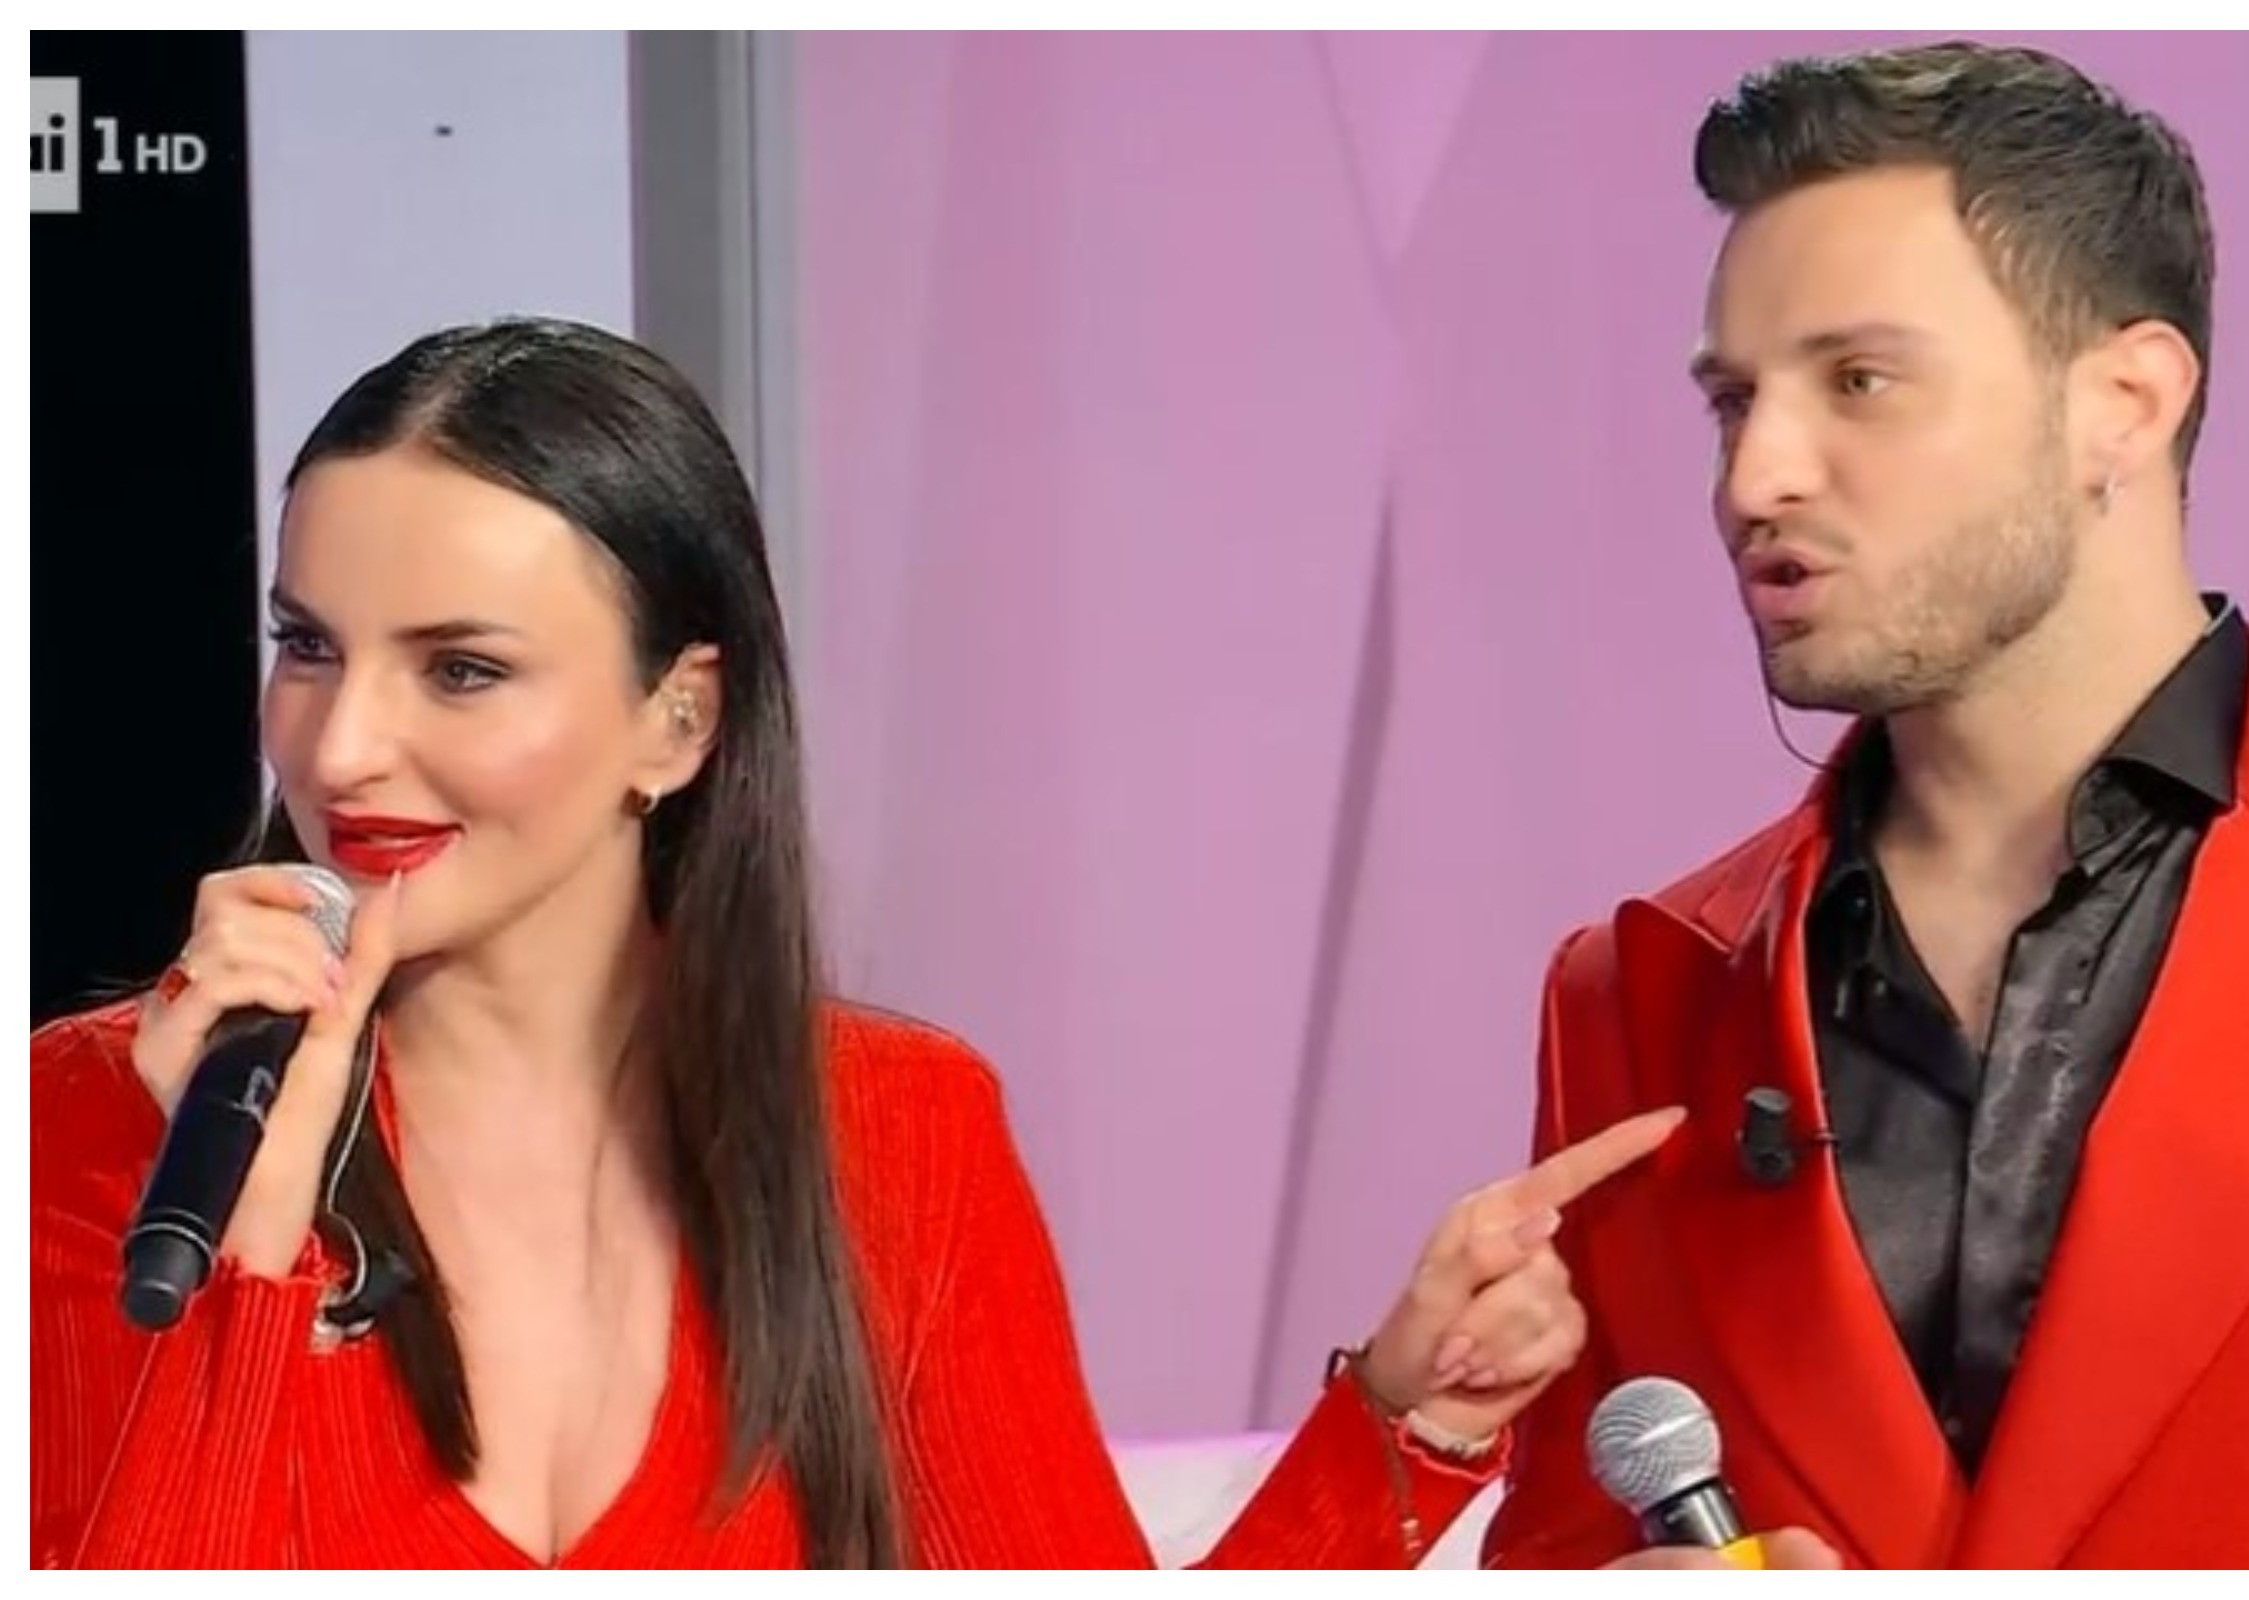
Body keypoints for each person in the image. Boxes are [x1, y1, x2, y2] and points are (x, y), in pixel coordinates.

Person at [30, 317, 1682, 1569]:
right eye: (308, 648)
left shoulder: (893, 1130)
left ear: (678, 720)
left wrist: (1400, 1424)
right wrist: (241, 1260)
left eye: (460, 670)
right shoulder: (96, 1119)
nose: (338, 750)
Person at [1479, 40, 2249, 1570]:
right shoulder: (1630, 999)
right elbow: (1572, 1536)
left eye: (1860, 382)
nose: (1756, 478)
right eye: (1732, 402)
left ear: (2125, 403)